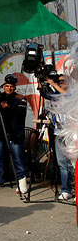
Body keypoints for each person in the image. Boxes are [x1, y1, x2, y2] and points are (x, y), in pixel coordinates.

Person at [0, 74, 29, 194]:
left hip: (15, 133)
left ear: (15, 87)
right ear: (4, 86)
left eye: (11, 86)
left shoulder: (21, 98)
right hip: (0, 132)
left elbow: (20, 112)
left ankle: (22, 182)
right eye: (7, 86)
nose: (9, 88)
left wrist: (8, 107)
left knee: (18, 158)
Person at [41, 74, 74, 202]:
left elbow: (66, 97)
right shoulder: (56, 96)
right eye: (58, 81)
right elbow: (45, 94)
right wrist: (41, 82)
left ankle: (75, 189)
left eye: (62, 81)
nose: (59, 83)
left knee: (73, 164)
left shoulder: (72, 94)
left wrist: (53, 84)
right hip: (58, 133)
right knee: (62, 163)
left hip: (70, 134)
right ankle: (66, 190)